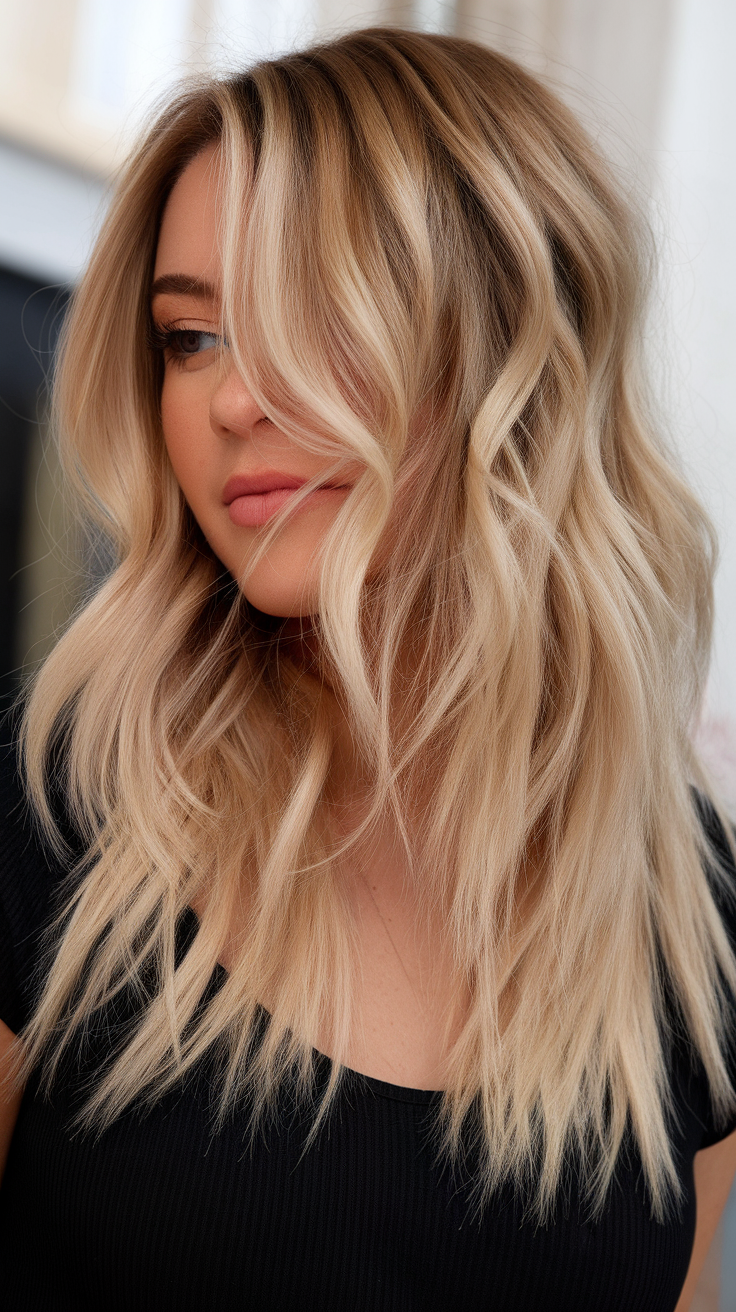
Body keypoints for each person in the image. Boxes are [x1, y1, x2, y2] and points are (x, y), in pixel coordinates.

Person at [1, 25, 735, 1310]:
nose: (229, 400)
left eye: (307, 309)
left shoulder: (688, 924)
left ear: (504, 343)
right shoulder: (70, 810)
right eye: (191, 338)